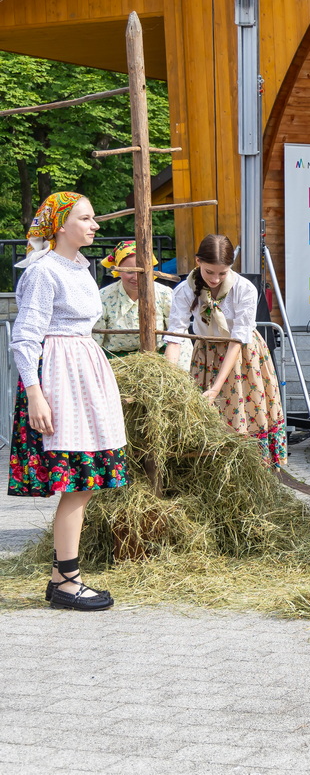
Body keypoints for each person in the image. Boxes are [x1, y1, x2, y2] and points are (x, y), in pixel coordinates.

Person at [8, 192, 128, 611]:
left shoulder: (78, 266)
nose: (95, 224)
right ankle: (68, 581)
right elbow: (24, 339)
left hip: (83, 372)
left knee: (84, 484)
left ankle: (62, 577)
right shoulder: (43, 272)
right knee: (77, 484)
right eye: (86, 218)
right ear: (61, 225)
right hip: (59, 377)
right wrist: (35, 394)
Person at [165, 234, 286, 469]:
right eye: (209, 271)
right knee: (207, 418)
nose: (215, 278)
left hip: (242, 357)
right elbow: (175, 336)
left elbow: (237, 339)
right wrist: (169, 378)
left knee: (244, 413)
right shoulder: (184, 290)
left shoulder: (244, 289)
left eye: (222, 272)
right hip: (207, 354)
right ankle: (209, 471)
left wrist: (216, 387)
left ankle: (250, 470)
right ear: (198, 261)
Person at [92, 240, 193, 368]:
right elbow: (95, 342)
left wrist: (176, 373)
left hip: (160, 365)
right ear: (118, 270)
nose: (136, 277)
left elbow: (179, 336)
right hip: (116, 366)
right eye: (129, 272)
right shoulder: (104, 297)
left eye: (141, 272)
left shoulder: (164, 294)